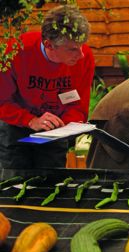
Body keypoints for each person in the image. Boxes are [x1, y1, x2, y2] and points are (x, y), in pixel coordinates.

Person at [0, 5, 95, 169]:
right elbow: (2, 102)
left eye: (81, 46)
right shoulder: (15, 52)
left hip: (55, 130)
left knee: (51, 183)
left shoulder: (84, 58)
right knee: (14, 183)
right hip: (15, 127)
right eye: (72, 49)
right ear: (49, 45)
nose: (81, 55)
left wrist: (63, 125)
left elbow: (78, 106)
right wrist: (30, 120)